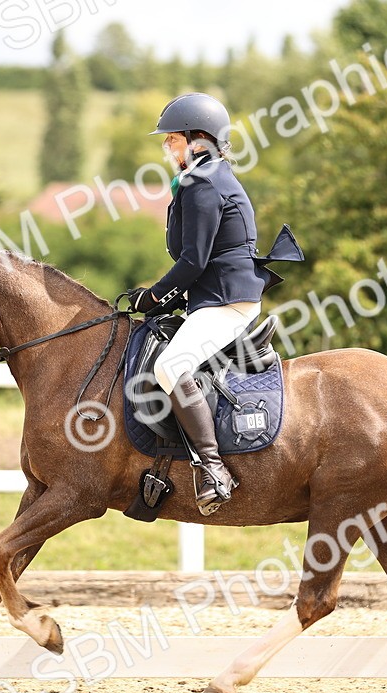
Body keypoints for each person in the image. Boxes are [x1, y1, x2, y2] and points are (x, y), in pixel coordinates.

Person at [128, 92, 275, 515]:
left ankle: (214, 469)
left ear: (197, 140)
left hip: (226, 301)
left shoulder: (204, 182)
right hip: (213, 297)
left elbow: (193, 260)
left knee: (169, 366)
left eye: (171, 140)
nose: (166, 148)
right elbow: (184, 251)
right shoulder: (202, 179)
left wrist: (154, 296)